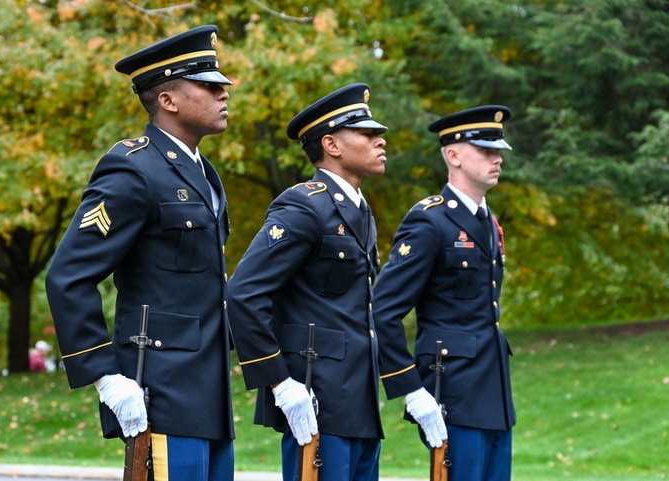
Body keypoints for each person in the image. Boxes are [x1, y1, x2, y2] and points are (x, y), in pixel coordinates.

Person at [44, 25, 235, 480]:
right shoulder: (134, 168)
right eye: (209, 85)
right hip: (160, 388)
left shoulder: (202, 173)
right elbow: (68, 275)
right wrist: (105, 375)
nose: (224, 92)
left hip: (208, 392)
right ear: (167, 100)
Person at [227, 83, 417, 481]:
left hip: (358, 405)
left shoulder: (359, 211)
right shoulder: (304, 205)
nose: (380, 140)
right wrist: (280, 383)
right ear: (331, 144)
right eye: (366, 133)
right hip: (315, 399)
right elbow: (244, 293)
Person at [372, 106, 517, 481]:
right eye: (485, 150)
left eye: (497, 150)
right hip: (453, 394)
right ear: (453, 155)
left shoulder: (488, 222)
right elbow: (383, 310)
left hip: (495, 395)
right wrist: (410, 389)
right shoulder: (429, 220)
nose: (497, 158)